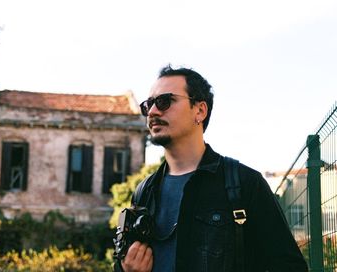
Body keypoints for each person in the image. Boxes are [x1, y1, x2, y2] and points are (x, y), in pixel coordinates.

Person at [114, 65, 308, 272]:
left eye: (164, 101)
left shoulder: (243, 183)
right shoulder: (145, 192)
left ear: (200, 110)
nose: (152, 111)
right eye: (148, 105)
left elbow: (289, 265)